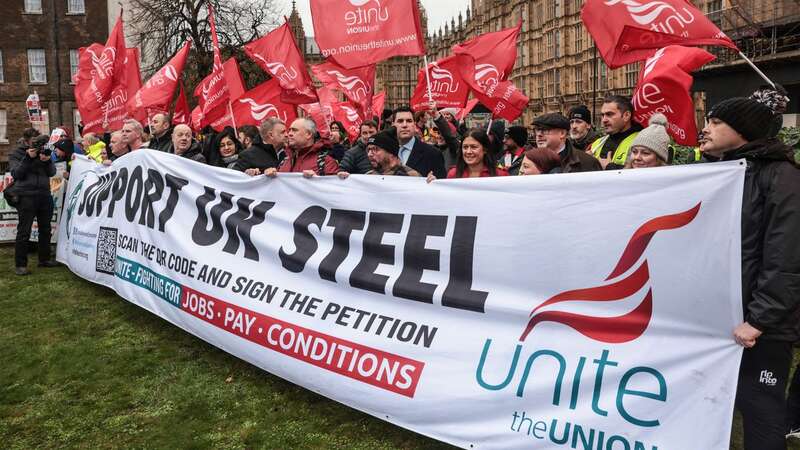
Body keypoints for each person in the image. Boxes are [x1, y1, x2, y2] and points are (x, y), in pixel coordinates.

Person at [698, 97, 800, 450]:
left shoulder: (782, 176)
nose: (705, 128)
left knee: (760, 407)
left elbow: (786, 257)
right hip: (722, 316)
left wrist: (760, 319)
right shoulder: (726, 173)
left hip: (761, 326)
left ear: (741, 130)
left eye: (715, 122)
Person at [7, 133, 58, 275]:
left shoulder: (44, 151)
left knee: (45, 229)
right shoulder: (17, 154)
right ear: (26, 141)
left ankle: (44, 259)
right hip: (26, 196)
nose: (37, 145)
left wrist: (47, 160)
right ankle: (20, 265)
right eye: (34, 142)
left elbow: (52, 172)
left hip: (44, 194)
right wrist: (28, 158)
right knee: (24, 231)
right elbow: (17, 174)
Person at [265, 118, 338, 178]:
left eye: (294, 130)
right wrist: (269, 177)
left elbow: (333, 191)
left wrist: (317, 181)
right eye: (289, 130)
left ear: (308, 134)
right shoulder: (284, 161)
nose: (289, 134)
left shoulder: (326, 162)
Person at [533, 113, 601, 173]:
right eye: (537, 130)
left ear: (562, 133)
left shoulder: (587, 162)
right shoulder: (529, 160)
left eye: (545, 130)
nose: (539, 134)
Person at [338, 127, 420, 178]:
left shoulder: (411, 176)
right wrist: (346, 181)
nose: (369, 154)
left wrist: (430, 183)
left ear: (391, 153)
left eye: (375, 149)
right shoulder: (368, 177)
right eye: (368, 150)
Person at [429, 129, 506, 179]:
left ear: (485, 150)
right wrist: (437, 186)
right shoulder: (453, 174)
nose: (468, 151)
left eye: (474, 147)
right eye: (465, 147)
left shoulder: (500, 176)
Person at [393, 106, 446, 179]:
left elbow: (441, 185)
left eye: (409, 121)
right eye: (400, 121)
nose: (404, 125)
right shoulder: (385, 151)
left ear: (414, 124)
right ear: (393, 124)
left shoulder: (433, 154)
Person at [591, 95, 642, 169]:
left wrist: (609, 167)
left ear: (626, 115)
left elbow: (642, 175)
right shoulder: (596, 144)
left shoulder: (641, 142)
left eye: (609, 114)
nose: (604, 120)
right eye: (602, 115)